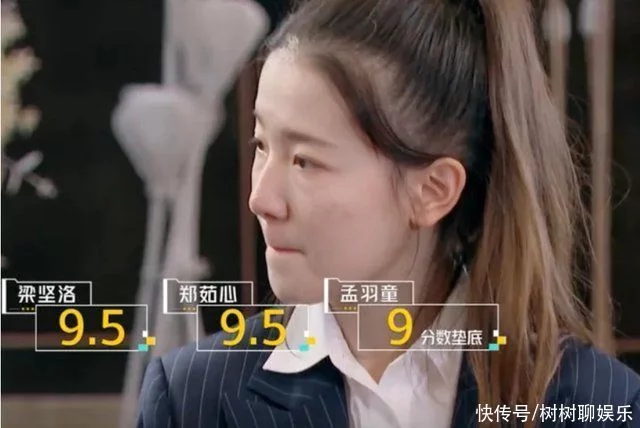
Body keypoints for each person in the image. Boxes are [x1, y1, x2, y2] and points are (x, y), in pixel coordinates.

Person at [136, 0, 640, 427]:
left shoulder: (594, 404)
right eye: (262, 145)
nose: (261, 199)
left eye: (305, 161)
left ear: (433, 191)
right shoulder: (194, 399)